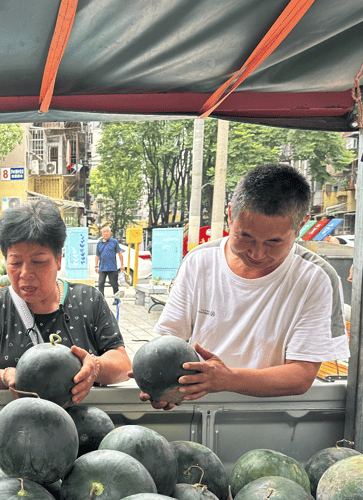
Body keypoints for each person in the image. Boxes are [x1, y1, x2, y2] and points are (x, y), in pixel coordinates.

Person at [149, 163, 349, 409]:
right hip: (198, 411)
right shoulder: (200, 260)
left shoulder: (316, 278)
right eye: (245, 237)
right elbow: (169, 339)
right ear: (231, 214)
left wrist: (227, 379)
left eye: (274, 242)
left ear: (300, 226)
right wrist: (160, 381)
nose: (256, 252)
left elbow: (301, 375)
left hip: (272, 418)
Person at [0, 200, 131, 404]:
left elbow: (123, 364)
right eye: (15, 262)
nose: (25, 273)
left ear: (58, 259)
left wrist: (94, 366)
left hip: (84, 428)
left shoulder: (88, 300)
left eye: (38, 261)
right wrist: (5, 376)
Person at [94, 225, 125, 298]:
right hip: (102, 268)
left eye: (107, 231)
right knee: (100, 284)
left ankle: (116, 299)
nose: (106, 233)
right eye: (104, 232)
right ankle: (101, 299)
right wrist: (96, 266)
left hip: (112, 268)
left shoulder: (114, 242)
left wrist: (122, 264)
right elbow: (97, 256)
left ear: (110, 232)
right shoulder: (99, 243)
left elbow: (120, 254)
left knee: (114, 284)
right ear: (101, 233)